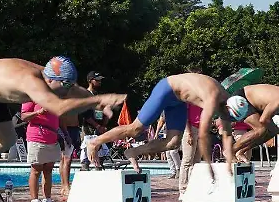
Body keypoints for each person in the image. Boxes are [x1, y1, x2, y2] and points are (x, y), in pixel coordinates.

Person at [0, 56, 124, 184]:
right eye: (64, 85)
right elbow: (57, 108)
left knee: (6, 140)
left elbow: (75, 90)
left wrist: (99, 104)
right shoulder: (32, 82)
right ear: (51, 80)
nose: (67, 90)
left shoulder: (52, 77)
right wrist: (98, 100)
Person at [87, 73, 246, 177]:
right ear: (226, 108)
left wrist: (231, 160)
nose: (224, 119)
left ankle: (133, 152)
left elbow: (227, 135)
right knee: (135, 129)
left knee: (173, 142)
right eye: (225, 116)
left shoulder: (228, 103)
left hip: (179, 101)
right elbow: (203, 135)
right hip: (167, 89)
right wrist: (209, 166)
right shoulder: (213, 98)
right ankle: (95, 142)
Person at [229, 84, 279, 161]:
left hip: (255, 106)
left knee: (271, 132)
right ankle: (230, 151)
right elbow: (263, 120)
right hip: (242, 98)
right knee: (260, 129)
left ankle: (241, 151)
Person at [19, 98, 62, 202]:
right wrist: (38, 112)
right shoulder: (32, 96)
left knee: (48, 169)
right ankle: (34, 201)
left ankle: (47, 200)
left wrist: (65, 134)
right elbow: (23, 116)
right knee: (36, 169)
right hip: (37, 136)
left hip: (52, 136)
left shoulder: (54, 96)